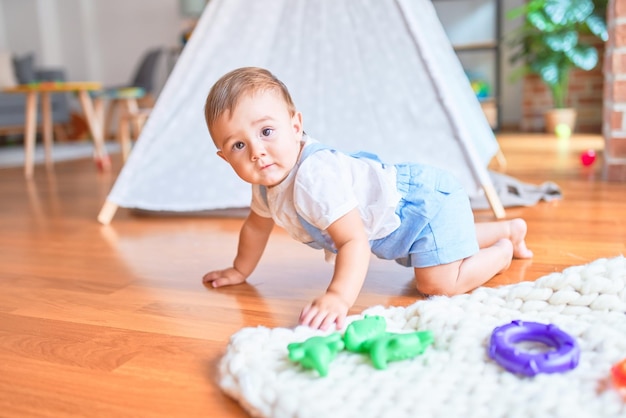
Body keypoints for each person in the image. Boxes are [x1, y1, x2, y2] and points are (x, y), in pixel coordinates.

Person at [202, 67, 533, 331]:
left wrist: (338, 297)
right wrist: (239, 269)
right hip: (410, 224)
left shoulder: (315, 176)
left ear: (295, 125)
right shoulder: (265, 184)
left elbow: (354, 242)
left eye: (266, 132)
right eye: (238, 146)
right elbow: (255, 229)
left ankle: (502, 253)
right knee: (437, 247)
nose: (257, 152)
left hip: (424, 203)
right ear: (224, 158)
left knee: (436, 283)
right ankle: (509, 230)